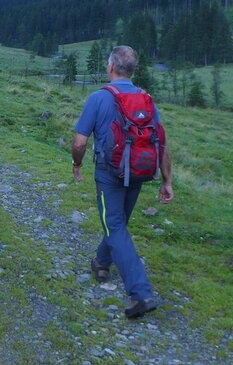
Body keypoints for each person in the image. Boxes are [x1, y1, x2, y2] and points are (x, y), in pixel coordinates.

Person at [71, 45, 173, 318]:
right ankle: (101, 262)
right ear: (132, 70)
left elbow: (80, 141)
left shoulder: (99, 98)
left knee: (114, 225)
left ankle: (140, 293)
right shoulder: (146, 99)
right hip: (139, 171)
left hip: (109, 174)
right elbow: (161, 142)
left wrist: (77, 163)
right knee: (118, 222)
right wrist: (167, 181)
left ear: (111, 67)